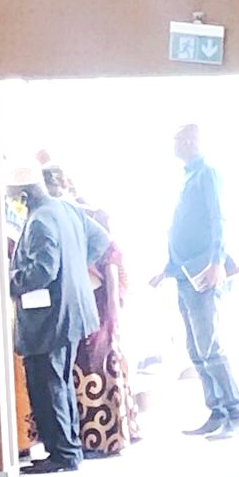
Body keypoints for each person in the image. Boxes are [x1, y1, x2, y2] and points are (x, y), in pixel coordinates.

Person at [7, 164, 113, 473]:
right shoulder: (66, 208)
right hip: (71, 312)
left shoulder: (40, 220)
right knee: (60, 382)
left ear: (24, 196)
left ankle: (62, 453)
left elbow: (42, 271)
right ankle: (67, 450)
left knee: (47, 384)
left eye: (13, 197)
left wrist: (10, 281)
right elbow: (100, 240)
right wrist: (76, 271)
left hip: (48, 318)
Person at [153, 124, 239, 438]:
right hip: (183, 274)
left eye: (177, 139)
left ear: (191, 141)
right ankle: (217, 410)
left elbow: (218, 218)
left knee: (211, 346)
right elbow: (181, 227)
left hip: (205, 271)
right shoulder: (187, 176)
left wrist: (217, 261)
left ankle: (237, 410)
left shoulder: (207, 174)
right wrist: (167, 268)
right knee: (195, 349)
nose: (173, 145)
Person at [40, 162, 140, 456]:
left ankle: (105, 438)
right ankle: (87, 438)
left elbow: (110, 254)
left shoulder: (85, 213)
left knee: (97, 363)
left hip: (96, 298)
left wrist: (110, 302)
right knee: (79, 367)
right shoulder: (55, 215)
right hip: (77, 298)